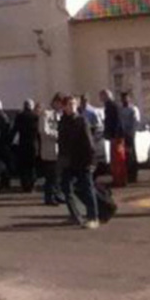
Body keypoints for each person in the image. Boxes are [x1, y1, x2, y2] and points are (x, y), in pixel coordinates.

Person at [58, 95, 99, 229]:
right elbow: (62, 141)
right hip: (68, 161)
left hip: (82, 160)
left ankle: (93, 217)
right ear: (63, 107)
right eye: (69, 104)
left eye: (74, 104)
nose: (72, 106)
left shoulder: (81, 121)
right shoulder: (63, 121)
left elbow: (89, 143)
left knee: (87, 188)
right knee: (66, 188)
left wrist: (91, 161)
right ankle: (75, 216)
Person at [39, 93, 63, 205]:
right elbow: (44, 131)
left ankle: (57, 194)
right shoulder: (46, 114)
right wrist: (57, 135)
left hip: (58, 149)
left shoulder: (59, 114)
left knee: (57, 175)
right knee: (50, 175)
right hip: (49, 148)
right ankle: (49, 197)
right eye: (59, 103)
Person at [11, 99, 39, 193]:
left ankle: (24, 185)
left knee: (23, 166)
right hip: (33, 144)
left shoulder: (20, 116)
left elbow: (15, 129)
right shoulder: (36, 117)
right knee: (32, 166)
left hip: (22, 143)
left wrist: (10, 140)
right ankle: (31, 185)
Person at [100, 89, 127, 187]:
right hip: (116, 136)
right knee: (116, 159)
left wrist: (114, 135)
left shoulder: (111, 106)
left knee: (118, 158)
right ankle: (119, 179)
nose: (101, 99)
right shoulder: (111, 106)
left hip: (116, 136)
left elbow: (116, 122)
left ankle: (119, 180)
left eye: (102, 96)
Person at [120, 92, 141, 182]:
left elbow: (136, 121)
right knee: (125, 155)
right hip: (123, 135)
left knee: (132, 154)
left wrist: (131, 132)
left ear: (129, 99)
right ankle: (127, 173)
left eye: (126, 98)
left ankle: (133, 174)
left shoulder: (133, 109)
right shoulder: (120, 110)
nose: (124, 100)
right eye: (123, 99)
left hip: (130, 134)